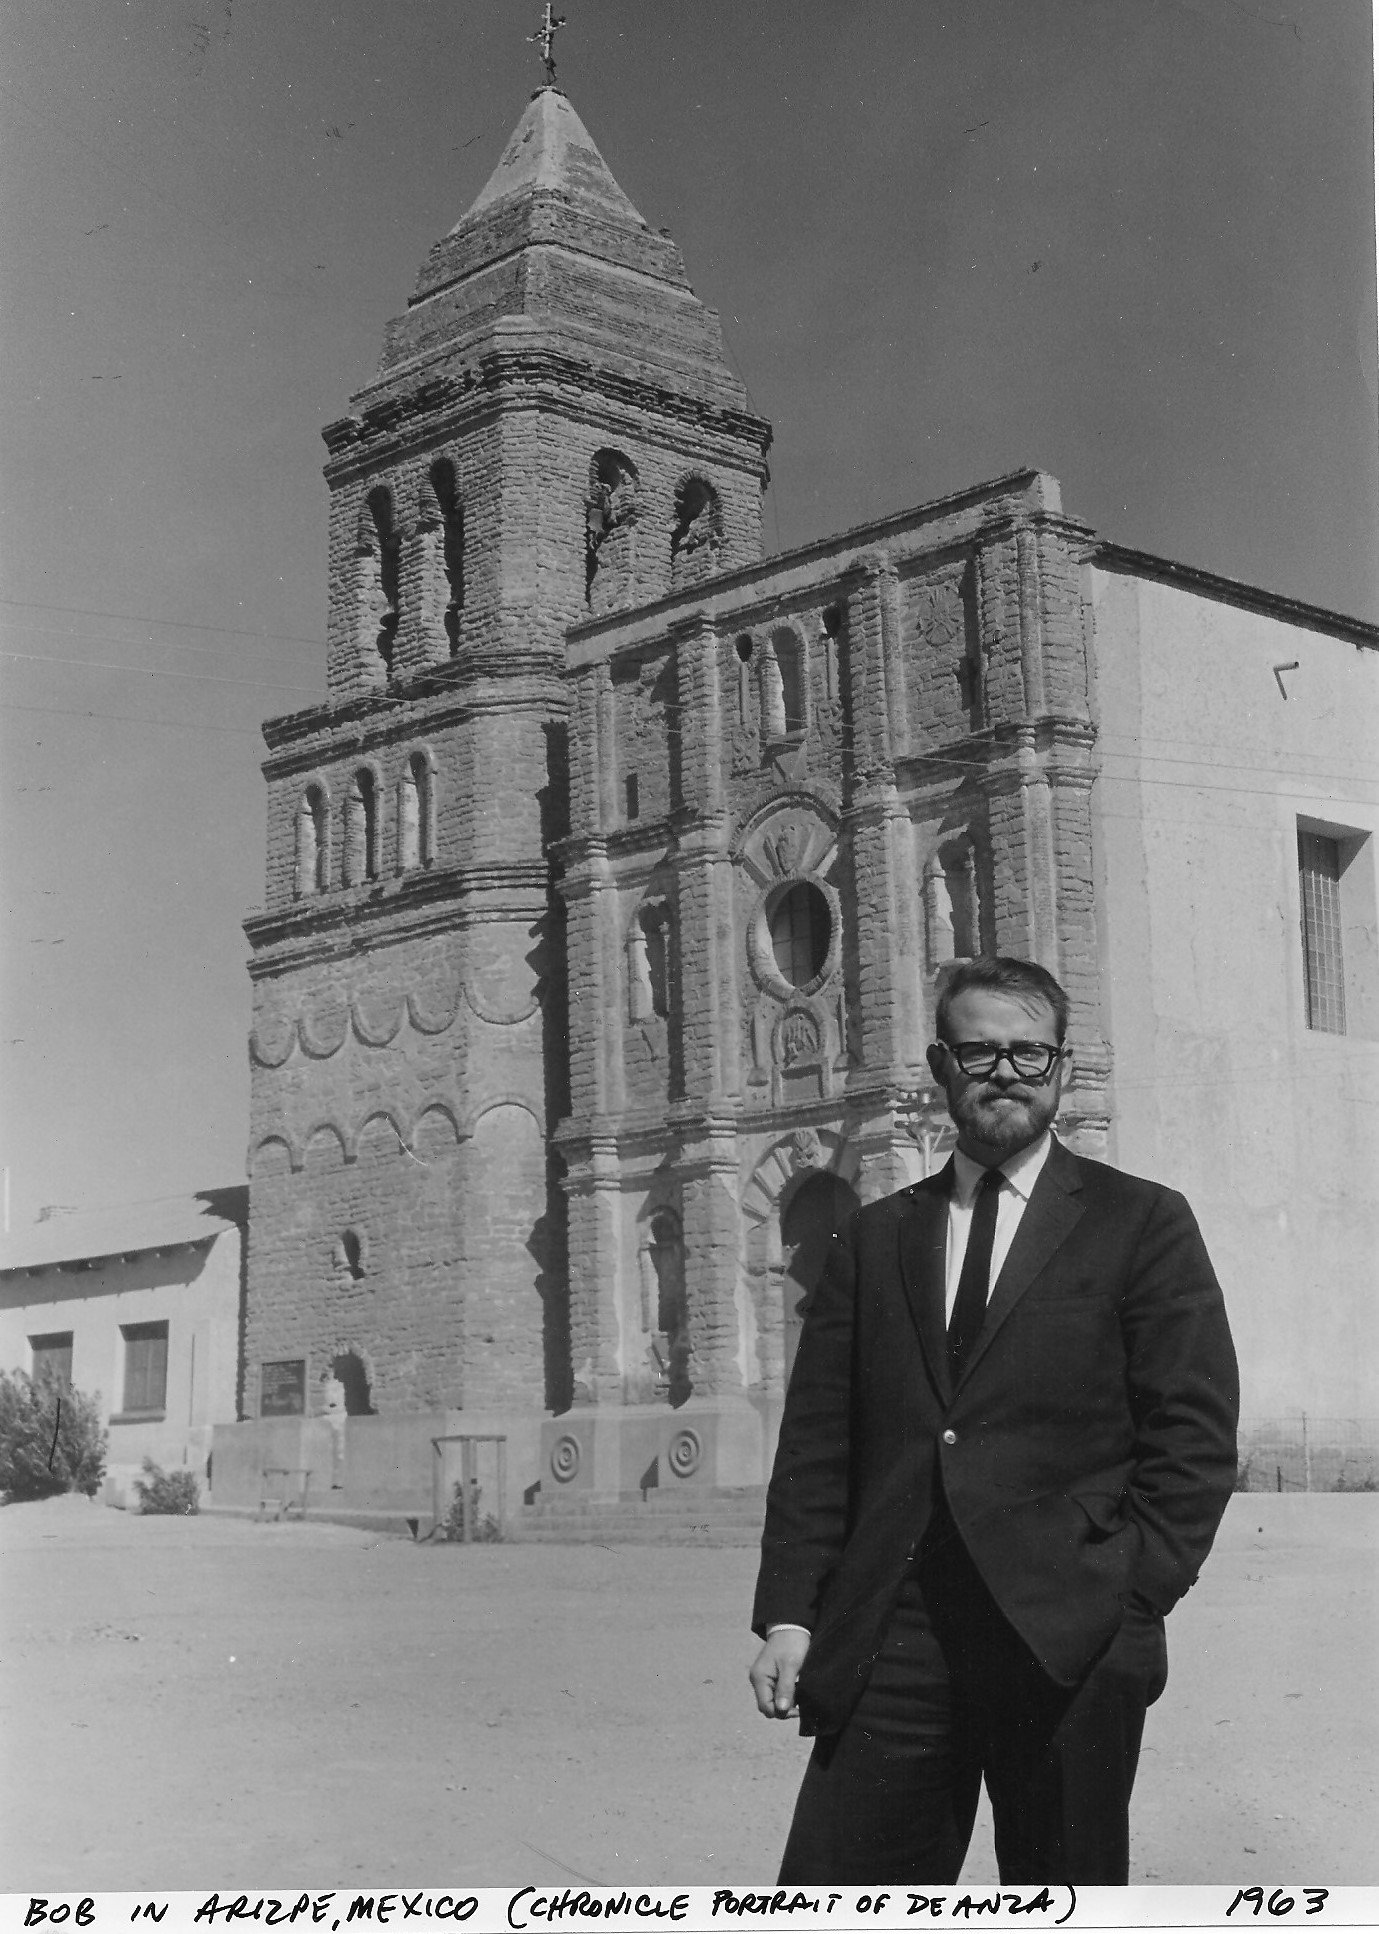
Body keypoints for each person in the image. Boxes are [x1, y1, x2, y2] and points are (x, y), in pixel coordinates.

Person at [749, 956, 1238, 1884]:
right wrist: (788, 1615)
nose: (1005, 1073)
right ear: (941, 1067)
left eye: (1029, 1054)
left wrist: (1131, 1599)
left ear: (1060, 1068)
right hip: (894, 1632)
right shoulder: (874, 1236)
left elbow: (1193, 1434)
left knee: (1061, 1892)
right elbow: (818, 1443)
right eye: (979, 1054)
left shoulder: (1140, 1223)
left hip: (1066, 1636)